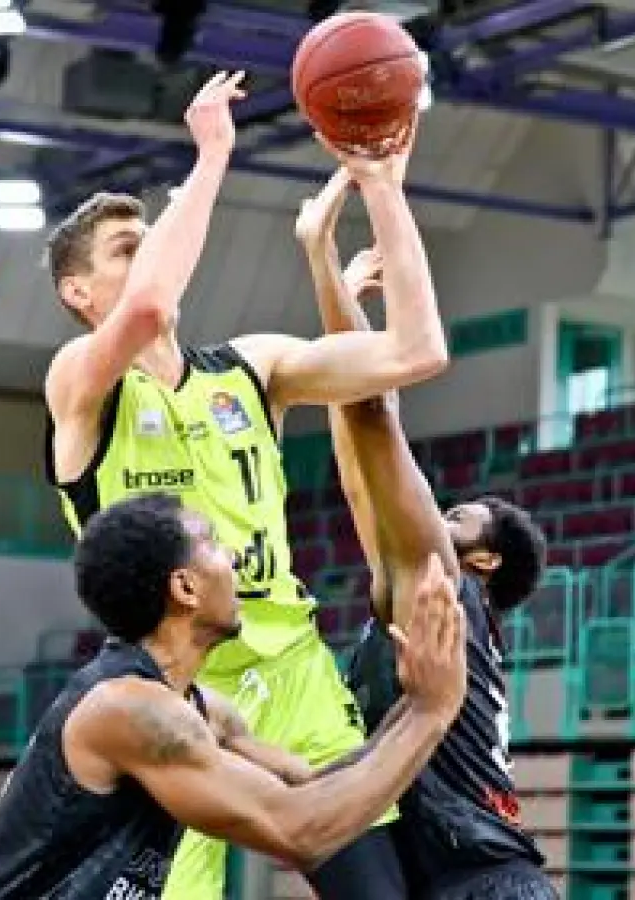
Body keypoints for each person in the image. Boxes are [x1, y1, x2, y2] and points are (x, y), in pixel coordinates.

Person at [41, 68, 445, 900]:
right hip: (174, 689)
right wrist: (213, 154)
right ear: (77, 293)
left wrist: (379, 184)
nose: (151, 255)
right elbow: (148, 311)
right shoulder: (81, 383)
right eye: (129, 248)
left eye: (152, 239)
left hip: (292, 668)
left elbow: (415, 350)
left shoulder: (250, 369)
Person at [0, 492, 467, 899]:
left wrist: (415, 702)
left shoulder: (194, 707)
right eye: (216, 546)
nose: (237, 558)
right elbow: (299, 833)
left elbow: (309, 787)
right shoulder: (128, 711)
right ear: (185, 588)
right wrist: (430, 712)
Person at [294, 169, 558, 898]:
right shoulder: (421, 605)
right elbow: (359, 466)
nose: (437, 515)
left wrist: (367, 209)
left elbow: (376, 419)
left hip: (488, 883)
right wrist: (323, 266)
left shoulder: (451, 601)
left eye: (456, 519)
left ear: (482, 559)